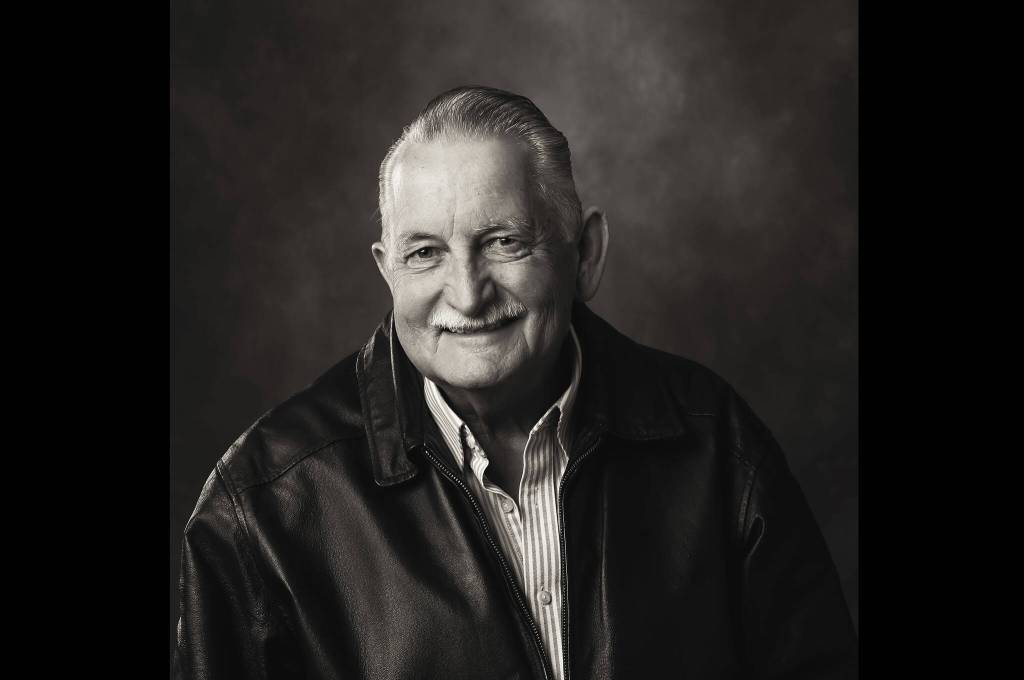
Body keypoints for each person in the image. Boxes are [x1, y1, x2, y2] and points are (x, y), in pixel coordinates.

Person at [172, 85, 858, 679]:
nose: (467, 294)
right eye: (425, 253)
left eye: (504, 242)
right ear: (388, 270)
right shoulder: (263, 503)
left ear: (585, 254)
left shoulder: (716, 444)